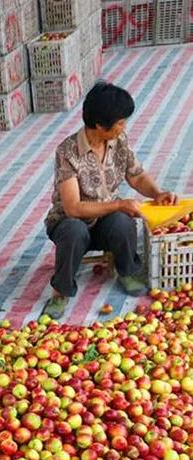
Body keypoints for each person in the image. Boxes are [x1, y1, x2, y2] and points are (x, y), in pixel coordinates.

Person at [42, 81, 177, 319]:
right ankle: (61, 290)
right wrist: (119, 204)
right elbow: (73, 208)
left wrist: (157, 193)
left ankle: (127, 271)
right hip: (70, 223)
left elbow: (136, 176)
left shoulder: (118, 141)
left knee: (123, 221)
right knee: (74, 230)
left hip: (104, 222)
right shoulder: (67, 152)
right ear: (99, 125)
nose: (124, 127)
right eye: (120, 122)